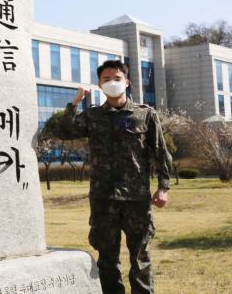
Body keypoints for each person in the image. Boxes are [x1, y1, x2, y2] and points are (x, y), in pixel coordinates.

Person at [58, 59, 172, 294]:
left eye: (117, 79)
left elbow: (161, 152)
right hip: (103, 198)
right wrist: (76, 101)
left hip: (136, 199)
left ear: (127, 82)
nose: (112, 83)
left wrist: (163, 187)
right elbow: (63, 131)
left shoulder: (145, 114)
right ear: (100, 85)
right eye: (106, 79)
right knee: (107, 260)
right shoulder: (92, 116)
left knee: (140, 258)